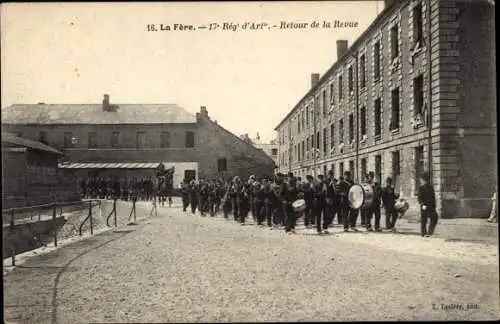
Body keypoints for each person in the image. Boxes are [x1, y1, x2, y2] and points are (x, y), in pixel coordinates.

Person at [418, 171, 438, 237]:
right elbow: (420, 198)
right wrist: (422, 204)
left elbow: (433, 197)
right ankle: (424, 233)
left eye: (421, 179)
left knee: (434, 218)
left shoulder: (429, 187)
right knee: (424, 220)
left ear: (423, 179)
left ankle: (429, 232)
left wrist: (434, 206)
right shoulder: (422, 188)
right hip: (425, 206)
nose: (420, 180)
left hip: (430, 206)